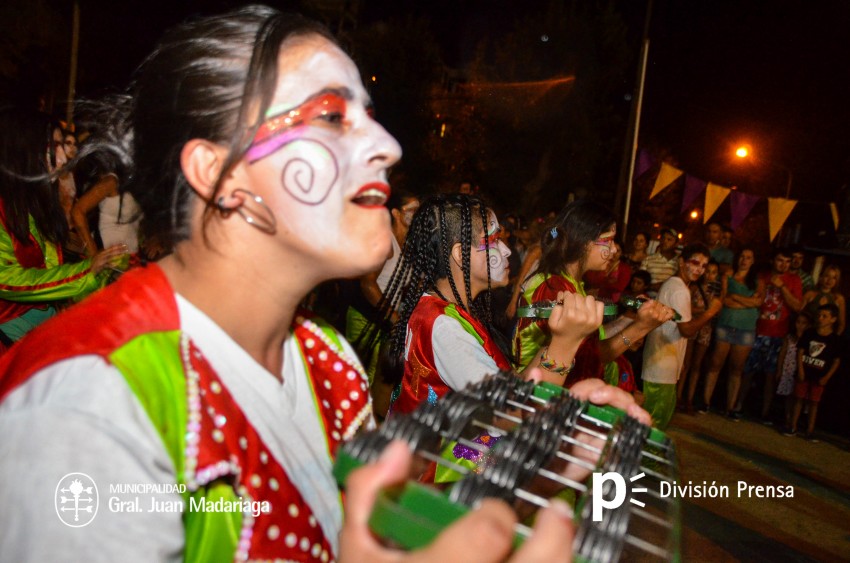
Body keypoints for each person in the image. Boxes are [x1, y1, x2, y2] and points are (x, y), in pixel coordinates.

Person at [0, 7, 647, 560]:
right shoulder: (91, 404)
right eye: (332, 116)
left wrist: (542, 446)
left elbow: (369, 525)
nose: (387, 145)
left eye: (369, 116)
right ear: (220, 174)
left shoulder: (326, 359)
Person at [378, 194, 603, 415]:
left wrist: (556, 338)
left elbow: (514, 386)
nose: (506, 250)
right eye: (494, 240)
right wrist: (565, 345)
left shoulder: (445, 309)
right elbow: (511, 414)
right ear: (460, 254)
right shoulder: (445, 328)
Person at [513, 199, 673, 387]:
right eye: (608, 240)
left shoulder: (571, 283)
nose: (614, 249)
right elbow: (593, 357)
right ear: (582, 242)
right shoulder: (554, 288)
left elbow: (591, 342)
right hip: (538, 392)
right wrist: (641, 327)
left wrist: (629, 318)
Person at [0, 108, 127, 342]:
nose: (63, 158)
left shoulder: (35, 199)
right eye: (55, 146)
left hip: (39, 318)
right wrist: (84, 272)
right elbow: (6, 279)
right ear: (26, 149)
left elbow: (46, 262)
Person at [641, 244, 722, 429]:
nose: (699, 269)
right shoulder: (679, 289)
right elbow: (686, 330)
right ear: (681, 262)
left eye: (704, 266)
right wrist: (710, 312)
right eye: (695, 263)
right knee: (653, 424)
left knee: (654, 421)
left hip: (662, 361)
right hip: (661, 365)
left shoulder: (675, 285)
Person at [734, 248, 802, 419]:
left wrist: (783, 287)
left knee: (771, 375)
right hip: (757, 329)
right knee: (748, 370)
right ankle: (738, 404)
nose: (784, 265)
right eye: (780, 260)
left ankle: (765, 412)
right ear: (773, 261)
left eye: (787, 261)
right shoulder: (762, 276)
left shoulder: (794, 280)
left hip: (778, 333)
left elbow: (797, 306)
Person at [701, 248, 764, 417]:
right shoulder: (728, 275)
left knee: (736, 368)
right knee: (716, 363)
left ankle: (730, 407)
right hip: (726, 323)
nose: (744, 260)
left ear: (753, 260)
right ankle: (706, 401)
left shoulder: (758, 281)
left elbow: (758, 302)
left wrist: (736, 297)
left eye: (748, 257)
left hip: (746, 328)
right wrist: (747, 301)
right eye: (742, 256)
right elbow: (725, 300)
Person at [786, 304, 841, 440]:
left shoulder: (835, 340)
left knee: (814, 402)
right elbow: (800, 351)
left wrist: (827, 377)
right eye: (819, 315)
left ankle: (810, 430)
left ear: (833, 319)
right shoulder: (809, 333)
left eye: (825, 316)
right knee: (798, 398)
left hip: (819, 375)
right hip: (805, 371)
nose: (820, 318)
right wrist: (800, 370)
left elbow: (836, 361)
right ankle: (792, 426)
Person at [679, 258, 722, 413]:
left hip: (706, 328)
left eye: (714, 272)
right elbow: (687, 307)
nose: (710, 275)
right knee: (686, 363)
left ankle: (690, 399)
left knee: (697, 364)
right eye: (708, 271)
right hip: (692, 324)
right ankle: (678, 396)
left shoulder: (716, 293)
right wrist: (706, 311)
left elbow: (718, 310)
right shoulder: (694, 287)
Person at [773, 312, 811, 432]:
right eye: (798, 322)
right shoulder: (790, 337)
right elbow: (782, 354)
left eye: (804, 323)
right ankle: (788, 419)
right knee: (788, 395)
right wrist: (779, 369)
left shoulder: (809, 340)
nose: (800, 325)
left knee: (798, 396)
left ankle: (796, 421)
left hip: (801, 370)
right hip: (788, 369)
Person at [801, 264, 845, 335]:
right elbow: (799, 314)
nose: (829, 280)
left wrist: (834, 338)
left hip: (827, 336)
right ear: (821, 277)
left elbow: (841, 324)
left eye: (834, 278)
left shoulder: (839, 298)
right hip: (808, 333)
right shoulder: (810, 294)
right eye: (827, 276)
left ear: (837, 281)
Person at [640, 227, 680, 292]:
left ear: (676, 244)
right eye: (663, 238)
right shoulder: (648, 260)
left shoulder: (681, 262)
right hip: (650, 296)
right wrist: (652, 287)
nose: (664, 241)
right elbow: (640, 283)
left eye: (669, 239)